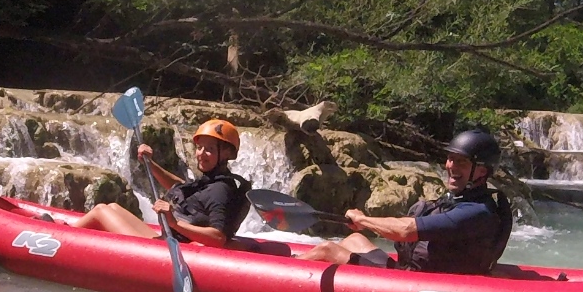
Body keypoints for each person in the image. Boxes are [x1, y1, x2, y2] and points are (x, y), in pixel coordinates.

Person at [295, 128, 513, 274]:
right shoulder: (462, 200)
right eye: (450, 159)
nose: (450, 166)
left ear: (481, 171)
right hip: (412, 272)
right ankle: (296, 262)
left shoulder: (476, 212)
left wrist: (363, 219)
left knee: (326, 250)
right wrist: (363, 224)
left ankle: (279, 272)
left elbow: (406, 230)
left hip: (427, 286)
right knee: (354, 240)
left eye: (461, 162)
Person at [68, 119, 251, 246]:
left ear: (227, 153)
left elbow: (218, 238)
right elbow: (181, 187)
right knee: (113, 208)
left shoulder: (220, 190)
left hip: (172, 249)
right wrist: (150, 164)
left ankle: (56, 236)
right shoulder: (213, 180)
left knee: (101, 211)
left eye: (210, 149)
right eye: (199, 147)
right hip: (168, 239)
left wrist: (174, 223)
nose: (201, 154)